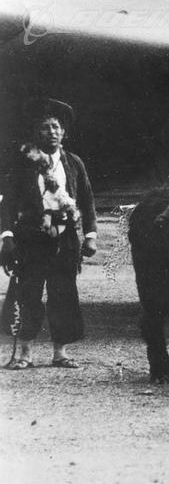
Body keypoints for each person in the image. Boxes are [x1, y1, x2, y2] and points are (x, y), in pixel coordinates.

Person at [0, 99, 98, 369]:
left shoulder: (74, 163)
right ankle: (25, 354)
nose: (52, 132)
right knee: (28, 293)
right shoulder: (23, 164)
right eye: (45, 127)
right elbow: (8, 203)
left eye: (56, 127)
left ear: (64, 132)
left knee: (63, 293)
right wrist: (7, 236)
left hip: (66, 238)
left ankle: (60, 353)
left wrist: (90, 235)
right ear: (36, 132)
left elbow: (87, 199)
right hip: (31, 237)